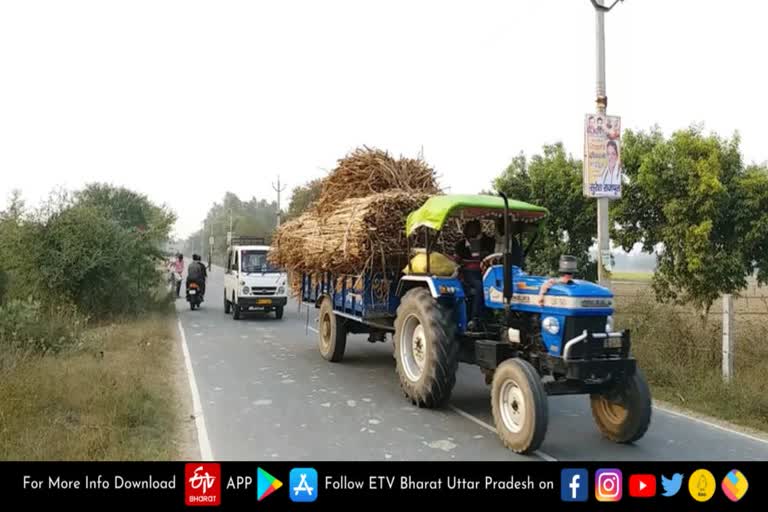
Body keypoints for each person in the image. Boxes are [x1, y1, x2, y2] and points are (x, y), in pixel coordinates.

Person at [454, 220, 494, 329]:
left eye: (475, 228)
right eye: (470, 228)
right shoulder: (461, 245)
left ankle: (492, 318)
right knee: (479, 286)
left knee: (494, 285)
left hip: (485, 271)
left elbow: (491, 255)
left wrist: (485, 255)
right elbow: (457, 261)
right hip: (468, 272)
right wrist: (466, 261)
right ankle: (475, 318)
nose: (473, 231)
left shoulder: (486, 242)